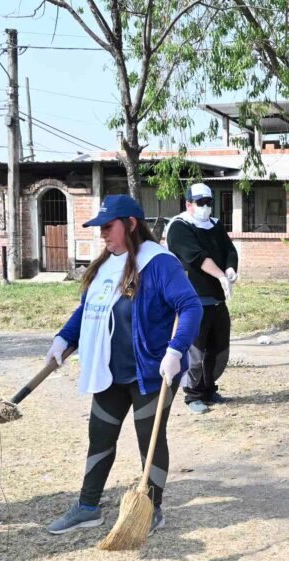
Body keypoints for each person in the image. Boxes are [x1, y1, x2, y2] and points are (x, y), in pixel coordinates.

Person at [45, 195, 203, 535]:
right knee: (100, 435)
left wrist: (176, 351)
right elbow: (88, 310)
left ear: (131, 224)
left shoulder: (159, 263)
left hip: (153, 371)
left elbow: (191, 306)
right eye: (100, 228)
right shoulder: (105, 266)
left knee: (150, 439)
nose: (102, 234)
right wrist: (64, 338)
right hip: (109, 370)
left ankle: (151, 508)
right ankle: (87, 507)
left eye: (108, 227)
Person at [165, 182, 239, 414]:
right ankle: (193, 394)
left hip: (217, 299)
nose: (205, 207)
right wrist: (220, 275)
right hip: (192, 299)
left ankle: (208, 389)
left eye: (209, 202)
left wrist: (230, 268)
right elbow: (196, 257)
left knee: (219, 348)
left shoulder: (215, 225)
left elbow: (229, 249)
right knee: (195, 351)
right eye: (200, 203)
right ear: (189, 204)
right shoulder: (179, 227)